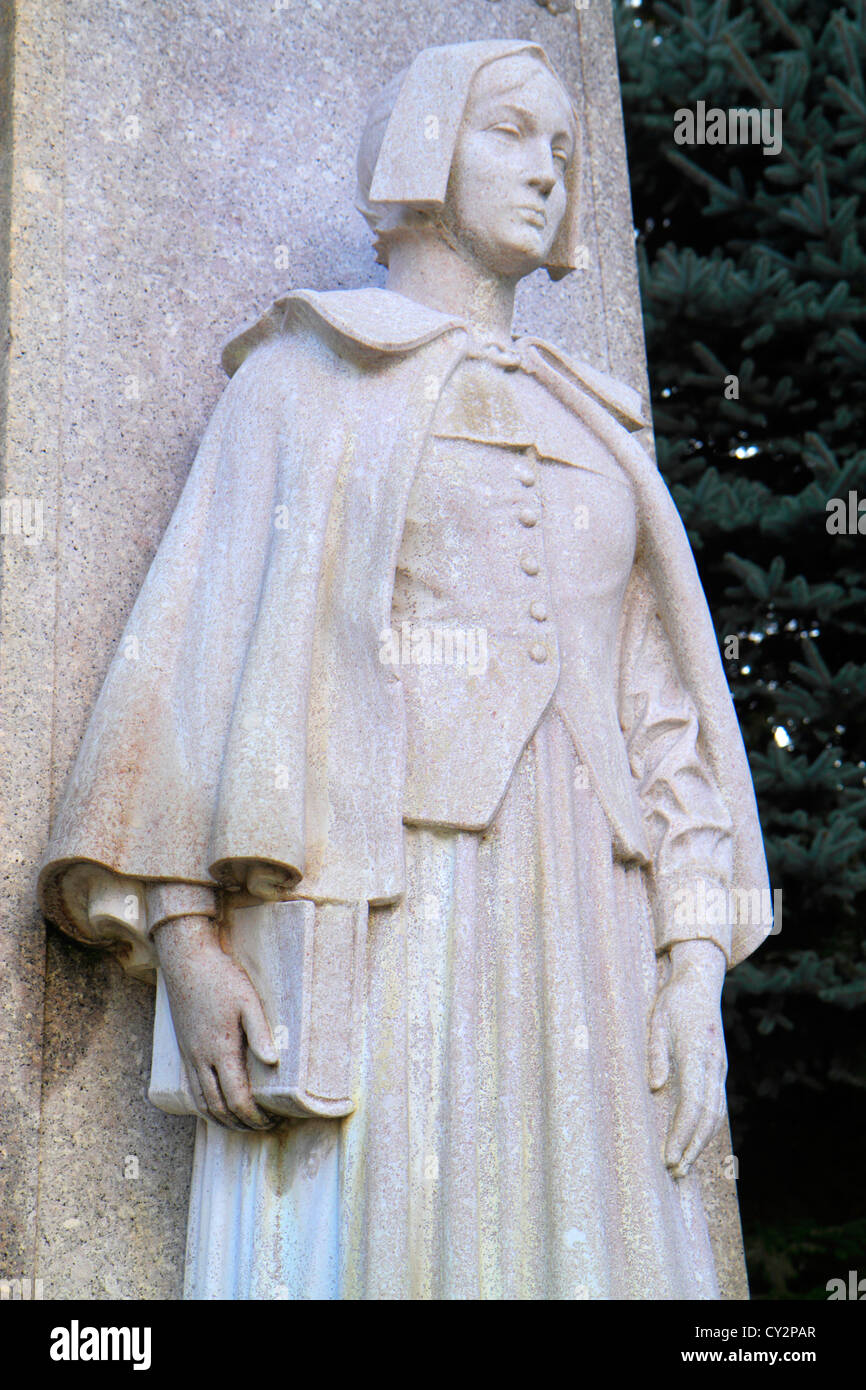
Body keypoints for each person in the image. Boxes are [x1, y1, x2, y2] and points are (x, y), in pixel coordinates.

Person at [38, 39, 772, 1299]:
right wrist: (189, 941)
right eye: (508, 132)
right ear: (423, 145)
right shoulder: (298, 384)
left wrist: (692, 964)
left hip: (591, 918)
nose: (545, 168)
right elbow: (192, 665)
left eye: (561, 145)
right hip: (377, 908)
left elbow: (663, 720)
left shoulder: (597, 429)